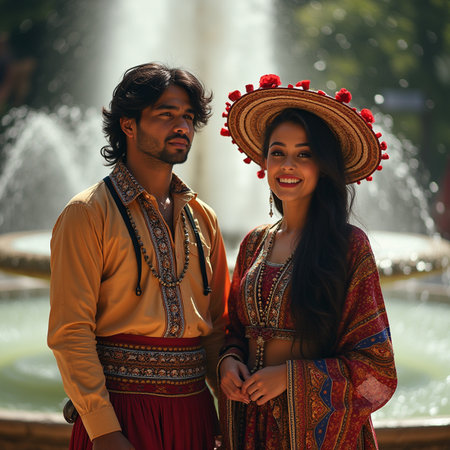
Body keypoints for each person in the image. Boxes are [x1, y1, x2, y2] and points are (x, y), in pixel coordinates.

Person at [48, 62, 230, 450]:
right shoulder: (87, 213)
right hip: (120, 417)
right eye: (166, 115)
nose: (182, 126)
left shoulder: (204, 218)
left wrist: (229, 420)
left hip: (194, 414)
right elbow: (70, 332)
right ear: (128, 125)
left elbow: (216, 328)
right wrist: (104, 430)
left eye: (188, 117)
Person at [218, 74, 397, 449]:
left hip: (314, 434)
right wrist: (229, 362)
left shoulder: (348, 247)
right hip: (251, 425)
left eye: (304, 154)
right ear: (264, 161)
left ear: (324, 166)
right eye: (278, 152)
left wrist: (289, 378)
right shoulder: (253, 243)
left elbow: (376, 368)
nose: (287, 165)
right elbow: (234, 329)